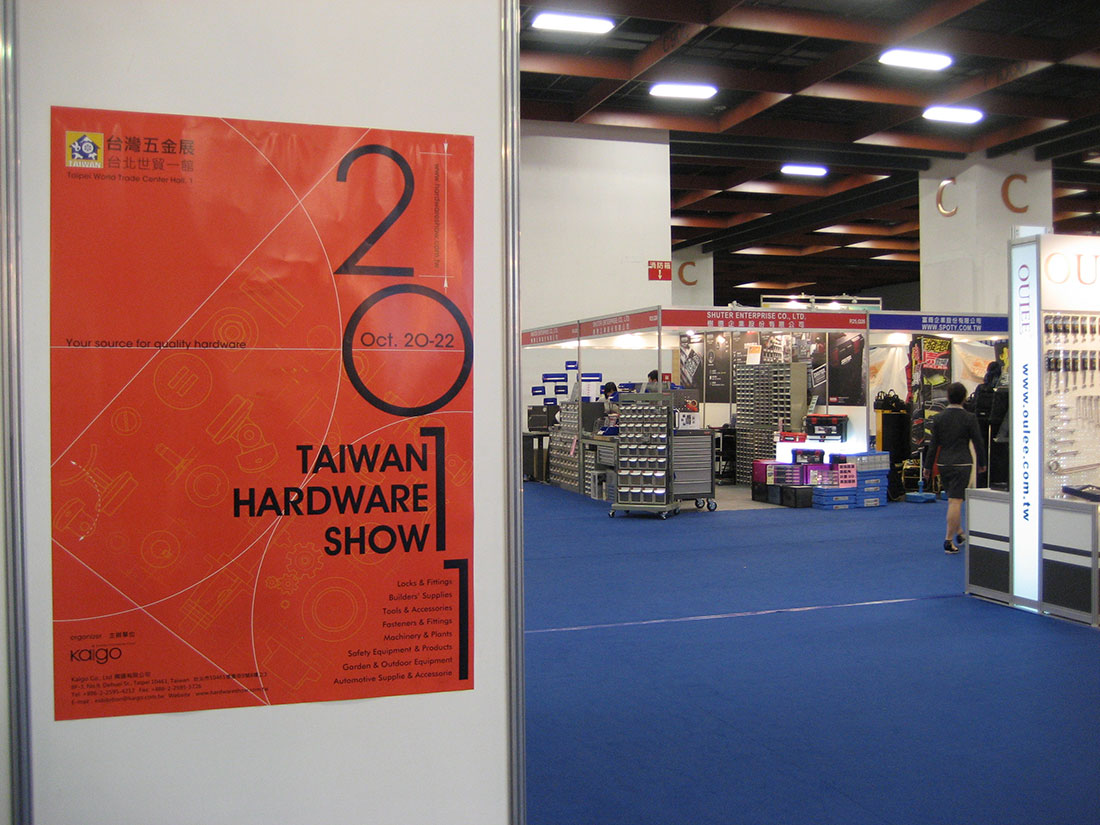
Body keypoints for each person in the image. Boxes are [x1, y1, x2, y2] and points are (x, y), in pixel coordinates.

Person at [924, 381, 986, 554]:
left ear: (948, 397)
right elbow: (978, 442)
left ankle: (959, 533)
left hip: (943, 463)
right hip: (962, 463)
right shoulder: (969, 418)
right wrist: (982, 463)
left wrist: (928, 467)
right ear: (964, 398)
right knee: (956, 502)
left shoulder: (939, 418)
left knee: (953, 500)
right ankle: (948, 540)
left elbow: (933, 445)